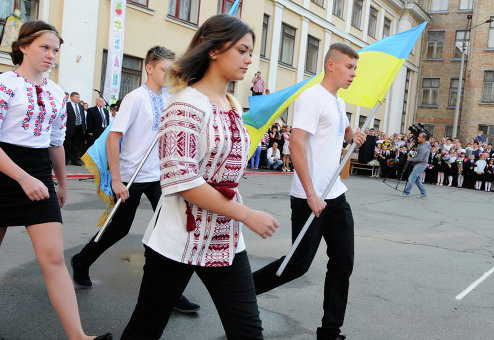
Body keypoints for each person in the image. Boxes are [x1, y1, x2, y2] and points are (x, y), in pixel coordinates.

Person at [121, 14, 279, 340]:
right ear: (214, 50)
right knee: (145, 329)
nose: (250, 59)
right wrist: (246, 214)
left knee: (248, 331)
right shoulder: (184, 104)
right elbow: (181, 180)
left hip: (225, 239)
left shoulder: (234, 106)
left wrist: (238, 215)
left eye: (251, 51)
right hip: (177, 236)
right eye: (242, 50)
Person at [0, 20, 111, 340]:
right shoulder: (5, 84)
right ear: (23, 47)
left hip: (37, 173)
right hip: (5, 171)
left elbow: (56, 142)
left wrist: (60, 184)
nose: (51, 55)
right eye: (44, 48)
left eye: (56, 50)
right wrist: (22, 178)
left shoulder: (55, 92)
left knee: (53, 258)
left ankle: (78, 336)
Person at [70, 46, 199, 312]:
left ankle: (170, 293)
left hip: (158, 177)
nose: (169, 74)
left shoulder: (168, 98)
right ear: (149, 68)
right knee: (119, 229)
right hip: (130, 175)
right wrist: (116, 180)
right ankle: (81, 261)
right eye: (165, 69)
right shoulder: (135, 98)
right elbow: (114, 138)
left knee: (171, 229)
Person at [252, 42, 366, 340]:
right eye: (349, 67)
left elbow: (342, 132)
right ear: (331, 65)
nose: (354, 74)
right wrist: (312, 193)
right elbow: (296, 143)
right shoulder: (311, 97)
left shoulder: (339, 103)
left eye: (355, 68)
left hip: (336, 194)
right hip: (310, 198)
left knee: (343, 263)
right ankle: (239, 294)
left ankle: (330, 331)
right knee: (297, 265)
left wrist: (355, 134)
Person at [402, 132, 431, 197]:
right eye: (418, 136)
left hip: (421, 164)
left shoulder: (424, 147)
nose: (418, 138)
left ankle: (407, 192)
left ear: (424, 139)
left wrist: (410, 159)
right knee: (417, 180)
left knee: (411, 178)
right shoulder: (420, 145)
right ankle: (423, 193)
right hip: (418, 164)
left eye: (420, 137)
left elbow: (420, 158)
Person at [64, 91, 86, 166]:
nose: (78, 99)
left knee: (76, 145)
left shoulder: (80, 106)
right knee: (68, 144)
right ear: (72, 97)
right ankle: (66, 159)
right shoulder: (67, 105)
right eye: (77, 97)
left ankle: (75, 160)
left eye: (79, 97)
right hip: (69, 128)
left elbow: (82, 117)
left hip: (79, 128)